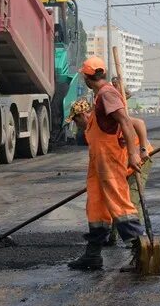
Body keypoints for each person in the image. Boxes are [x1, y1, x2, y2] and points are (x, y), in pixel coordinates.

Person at [68, 57, 145, 272]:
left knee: (119, 205)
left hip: (109, 159)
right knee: (97, 206)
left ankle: (142, 253)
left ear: (86, 77)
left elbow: (126, 123)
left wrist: (133, 153)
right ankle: (92, 255)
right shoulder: (99, 95)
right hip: (98, 161)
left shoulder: (107, 94)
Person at [65, 99, 154, 247]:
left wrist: (142, 150)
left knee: (129, 202)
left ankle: (139, 245)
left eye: (75, 120)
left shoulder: (105, 119)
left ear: (83, 115)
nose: (76, 124)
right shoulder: (90, 130)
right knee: (113, 201)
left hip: (138, 163)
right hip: (119, 166)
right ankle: (112, 237)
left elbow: (139, 123)